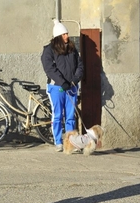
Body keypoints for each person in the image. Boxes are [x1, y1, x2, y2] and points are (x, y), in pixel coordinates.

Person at [41, 19, 83, 152]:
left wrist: (75, 80)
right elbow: (49, 68)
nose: (67, 36)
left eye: (67, 34)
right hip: (56, 87)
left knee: (70, 116)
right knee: (58, 115)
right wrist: (61, 81)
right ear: (58, 36)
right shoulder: (49, 50)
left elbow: (80, 65)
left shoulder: (72, 49)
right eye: (64, 34)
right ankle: (58, 141)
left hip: (71, 87)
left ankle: (71, 142)